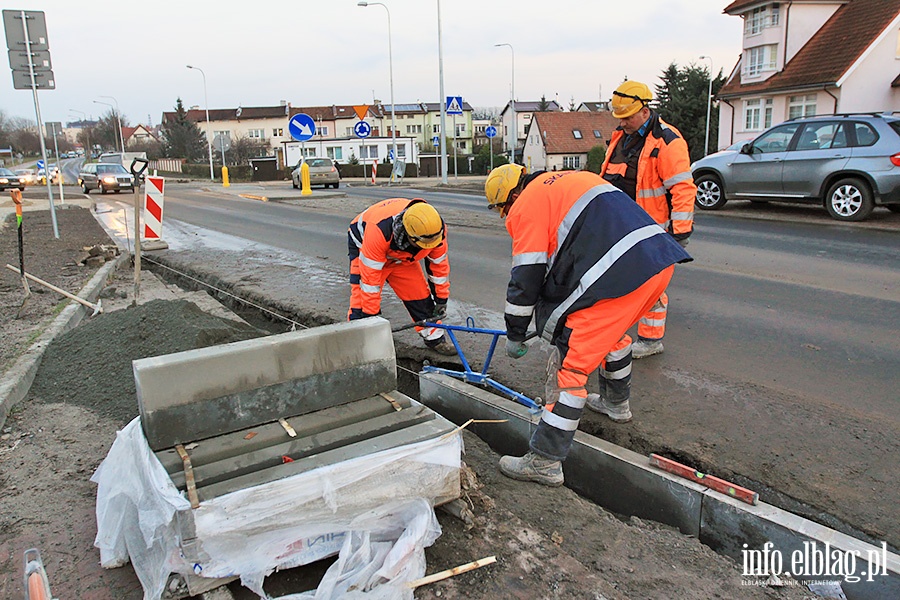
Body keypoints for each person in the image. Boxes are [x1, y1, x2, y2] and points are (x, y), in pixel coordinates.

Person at [484, 164, 691, 486]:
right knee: (611, 336)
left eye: (504, 209)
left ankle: (545, 461)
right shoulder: (574, 179)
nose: (506, 216)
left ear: (511, 196)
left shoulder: (527, 204)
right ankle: (615, 404)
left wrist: (515, 332)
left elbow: (527, 276)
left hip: (617, 275)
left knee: (571, 369)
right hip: (656, 263)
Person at [600, 80, 696, 359]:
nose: (623, 122)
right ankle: (611, 334)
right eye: (619, 117)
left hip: (648, 228)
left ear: (644, 110)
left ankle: (651, 340)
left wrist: (680, 233)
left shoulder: (667, 140)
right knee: (614, 280)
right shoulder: (622, 134)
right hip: (618, 223)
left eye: (627, 117)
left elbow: (682, 188)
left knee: (649, 285)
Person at [347, 197, 456, 355]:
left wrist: (441, 298)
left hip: (401, 256)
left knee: (418, 294)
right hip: (365, 247)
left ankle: (435, 339)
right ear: (409, 236)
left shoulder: (435, 230)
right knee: (361, 300)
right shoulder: (378, 231)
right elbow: (370, 282)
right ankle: (358, 344)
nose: (430, 247)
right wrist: (372, 318)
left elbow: (439, 267)